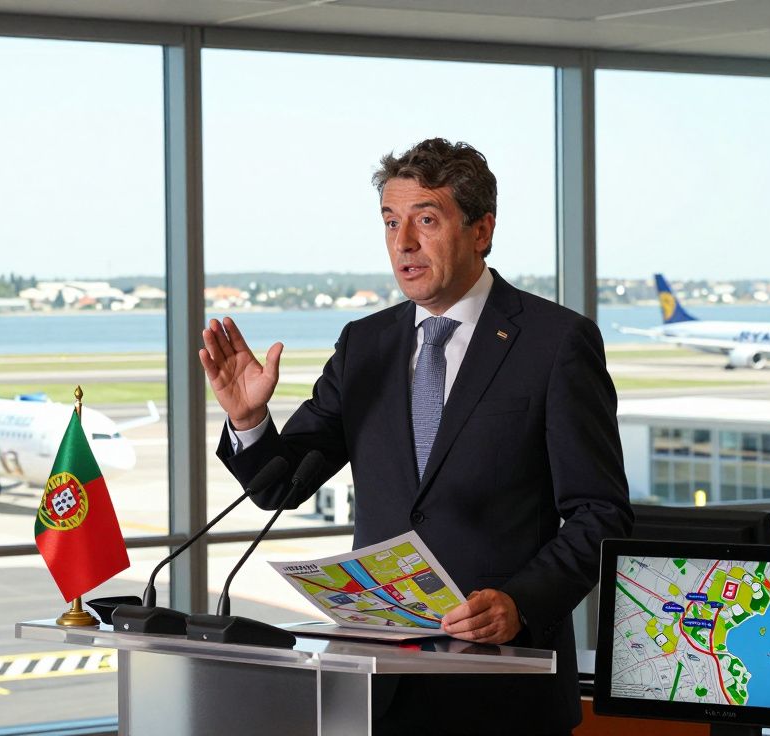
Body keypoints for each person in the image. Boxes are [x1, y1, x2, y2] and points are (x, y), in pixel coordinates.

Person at [200, 138, 633, 735]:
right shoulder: (364, 345)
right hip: (372, 687)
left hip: (502, 683)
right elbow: (284, 487)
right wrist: (249, 420)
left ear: (481, 231)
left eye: (425, 220)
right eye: (389, 222)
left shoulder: (555, 343)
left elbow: (601, 514)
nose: (402, 242)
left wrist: (520, 604)